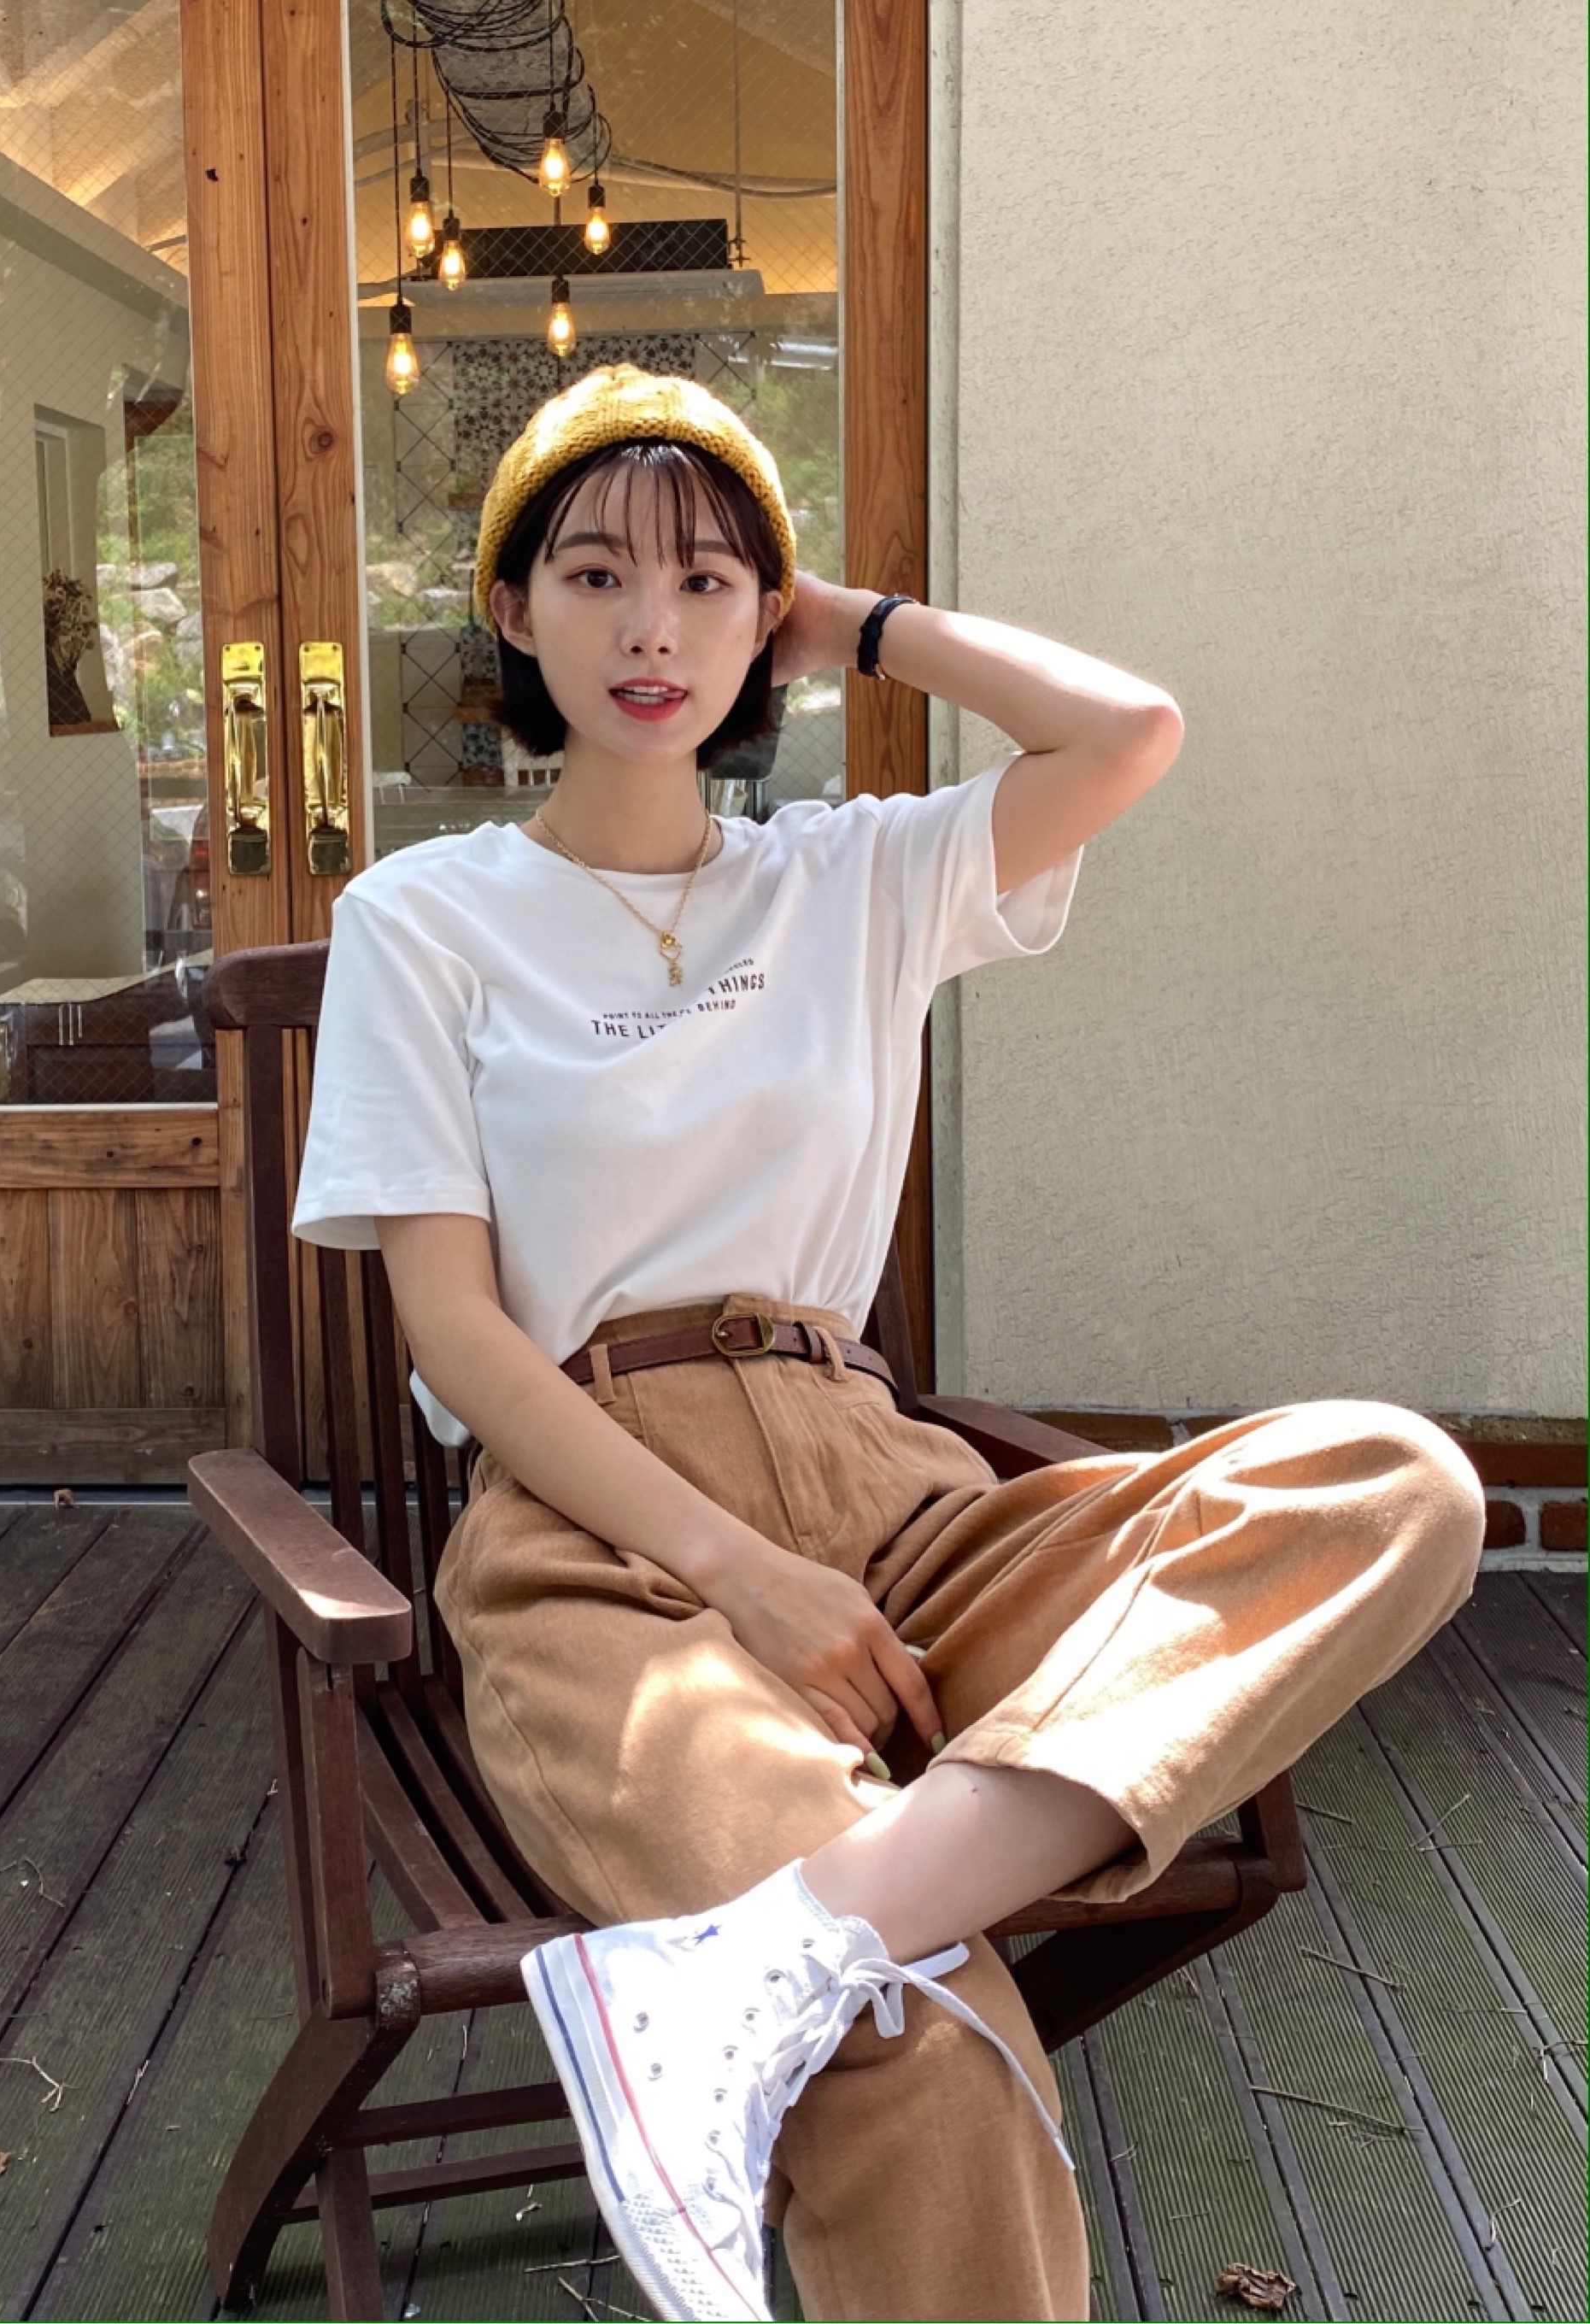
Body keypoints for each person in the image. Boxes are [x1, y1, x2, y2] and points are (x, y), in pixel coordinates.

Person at [290, 364, 1486, 2324]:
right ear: (512, 611)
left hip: (901, 1500)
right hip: (602, 1550)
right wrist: (740, 1570)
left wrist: (846, 621)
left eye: (704, 581)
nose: (651, 627)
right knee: (913, 2034)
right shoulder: (423, 916)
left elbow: (1130, 731)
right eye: (594, 575)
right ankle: (836, 1952)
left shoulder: (847, 873)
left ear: (765, 616)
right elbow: (455, 1329)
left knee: (1396, 1486)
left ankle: (768, 1956)